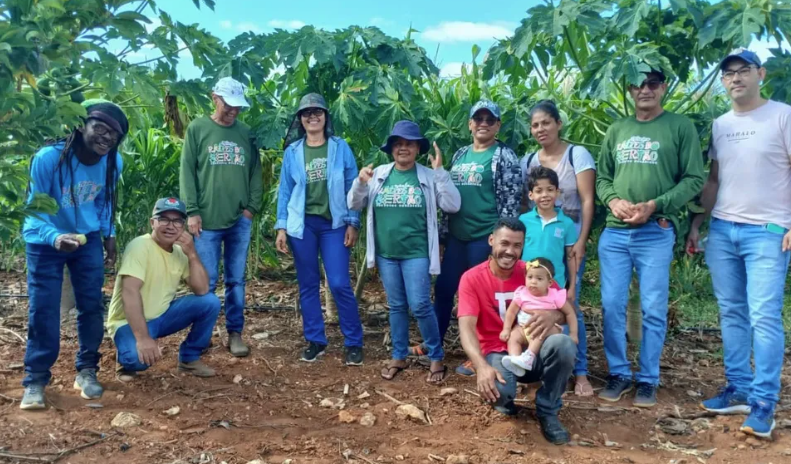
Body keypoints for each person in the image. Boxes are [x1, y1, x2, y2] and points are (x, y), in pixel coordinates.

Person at [686, 49, 791, 438]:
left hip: (768, 230)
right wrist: (698, 223)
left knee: (764, 315)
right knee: (731, 313)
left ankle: (764, 402)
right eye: (728, 73)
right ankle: (739, 389)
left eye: (743, 71)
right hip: (723, 228)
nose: (735, 79)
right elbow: (714, 180)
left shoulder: (783, 115)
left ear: (760, 74)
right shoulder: (720, 124)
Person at [596, 69, 705, 408]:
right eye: (638, 84)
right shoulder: (617, 130)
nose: (645, 89)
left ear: (663, 87)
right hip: (615, 232)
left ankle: (648, 378)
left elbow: (694, 179)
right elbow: (602, 178)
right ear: (629, 89)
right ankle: (618, 372)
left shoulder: (679, 127)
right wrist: (614, 201)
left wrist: (656, 205)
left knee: (653, 308)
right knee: (612, 306)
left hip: (655, 231)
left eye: (652, 83)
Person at [20, 100, 128, 410]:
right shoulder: (48, 159)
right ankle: (36, 380)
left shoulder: (112, 161)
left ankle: (87, 370)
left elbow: (104, 199)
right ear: (82, 125)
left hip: (87, 239)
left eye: (113, 135)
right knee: (44, 309)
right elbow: (32, 211)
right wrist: (54, 238)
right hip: (45, 242)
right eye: (100, 129)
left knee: (91, 305)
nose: (105, 138)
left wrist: (109, 233)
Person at [348, 121, 461, 382]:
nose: (403, 148)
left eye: (409, 143)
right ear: (391, 149)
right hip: (387, 254)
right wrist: (360, 182)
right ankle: (399, 354)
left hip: (416, 252)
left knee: (420, 304)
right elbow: (354, 203)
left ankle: (435, 355)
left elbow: (453, 205)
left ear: (417, 148)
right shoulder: (379, 174)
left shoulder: (428, 176)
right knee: (397, 306)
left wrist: (441, 171)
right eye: (398, 143)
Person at [458, 218, 576, 444]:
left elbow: (565, 308)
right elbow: (467, 328)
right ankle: (507, 400)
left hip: (535, 348)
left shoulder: (533, 271)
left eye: (517, 246)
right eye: (504, 243)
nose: (510, 251)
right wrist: (481, 366)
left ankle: (548, 410)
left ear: (523, 247)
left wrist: (553, 315)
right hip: (498, 353)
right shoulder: (472, 278)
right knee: (499, 393)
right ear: (491, 240)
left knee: (564, 345)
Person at [430, 100, 523, 376]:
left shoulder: (504, 156)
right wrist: (445, 237)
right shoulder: (460, 154)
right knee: (445, 289)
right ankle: (434, 344)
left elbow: (511, 201)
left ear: (497, 125)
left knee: (482, 297)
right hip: (458, 236)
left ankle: (483, 351)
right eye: (478, 119)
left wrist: (501, 242)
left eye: (489, 120)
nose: (483, 123)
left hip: (485, 237)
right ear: (470, 124)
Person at [275, 93, 364, 366]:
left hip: (334, 225)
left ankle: (353, 342)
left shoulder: (340, 148)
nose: (312, 117)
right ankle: (315, 339)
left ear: (326, 116)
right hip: (302, 226)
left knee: (338, 282)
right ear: (300, 120)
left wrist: (353, 222)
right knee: (308, 284)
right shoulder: (292, 152)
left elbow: (353, 185)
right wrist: (281, 227)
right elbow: (285, 191)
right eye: (306, 113)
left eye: (317, 112)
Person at [179, 76, 263, 358]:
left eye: (238, 107)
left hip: (239, 219)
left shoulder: (246, 133)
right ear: (215, 98)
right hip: (205, 221)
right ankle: (202, 336)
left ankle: (235, 333)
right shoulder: (198, 129)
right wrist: (192, 211)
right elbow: (187, 171)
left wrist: (251, 208)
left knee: (236, 280)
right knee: (206, 280)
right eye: (228, 105)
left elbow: (255, 172)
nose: (233, 111)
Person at [521, 100, 597, 396]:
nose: (540, 129)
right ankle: (541, 369)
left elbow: (588, 199)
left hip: (567, 238)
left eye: (546, 122)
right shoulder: (529, 160)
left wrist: (581, 240)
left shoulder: (576, 154)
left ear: (558, 123)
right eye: (535, 124)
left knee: (568, 306)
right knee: (534, 309)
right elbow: (522, 205)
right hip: (536, 248)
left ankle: (580, 372)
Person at [107, 198, 220, 380]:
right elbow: (130, 293)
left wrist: (191, 253)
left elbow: (202, 289)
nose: (171, 226)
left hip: (162, 316)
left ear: (183, 226)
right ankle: (125, 361)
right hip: (127, 323)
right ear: (152, 222)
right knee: (136, 360)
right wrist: (143, 338)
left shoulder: (179, 251)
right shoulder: (139, 246)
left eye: (177, 221)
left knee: (210, 302)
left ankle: (189, 359)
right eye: (164, 219)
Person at [500, 258, 578, 376]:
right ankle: (515, 360)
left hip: (547, 329)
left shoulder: (554, 296)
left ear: (550, 282)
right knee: (513, 337)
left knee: (539, 332)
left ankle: (529, 357)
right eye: (530, 277)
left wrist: (573, 333)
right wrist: (506, 329)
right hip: (523, 328)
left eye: (539, 279)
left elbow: (570, 313)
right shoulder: (521, 293)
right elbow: (511, 312)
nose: (533, 282)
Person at [519, 166, 578, 302]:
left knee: (554, 319)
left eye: (550, 190)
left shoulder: (566, 223)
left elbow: (570, 257)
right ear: (531, 195)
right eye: (539, 191)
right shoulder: (523, 220)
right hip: (527, 281)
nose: (545, 195)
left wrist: (572, 287)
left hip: (555, 283)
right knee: (526, 318)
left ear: (557, 192)